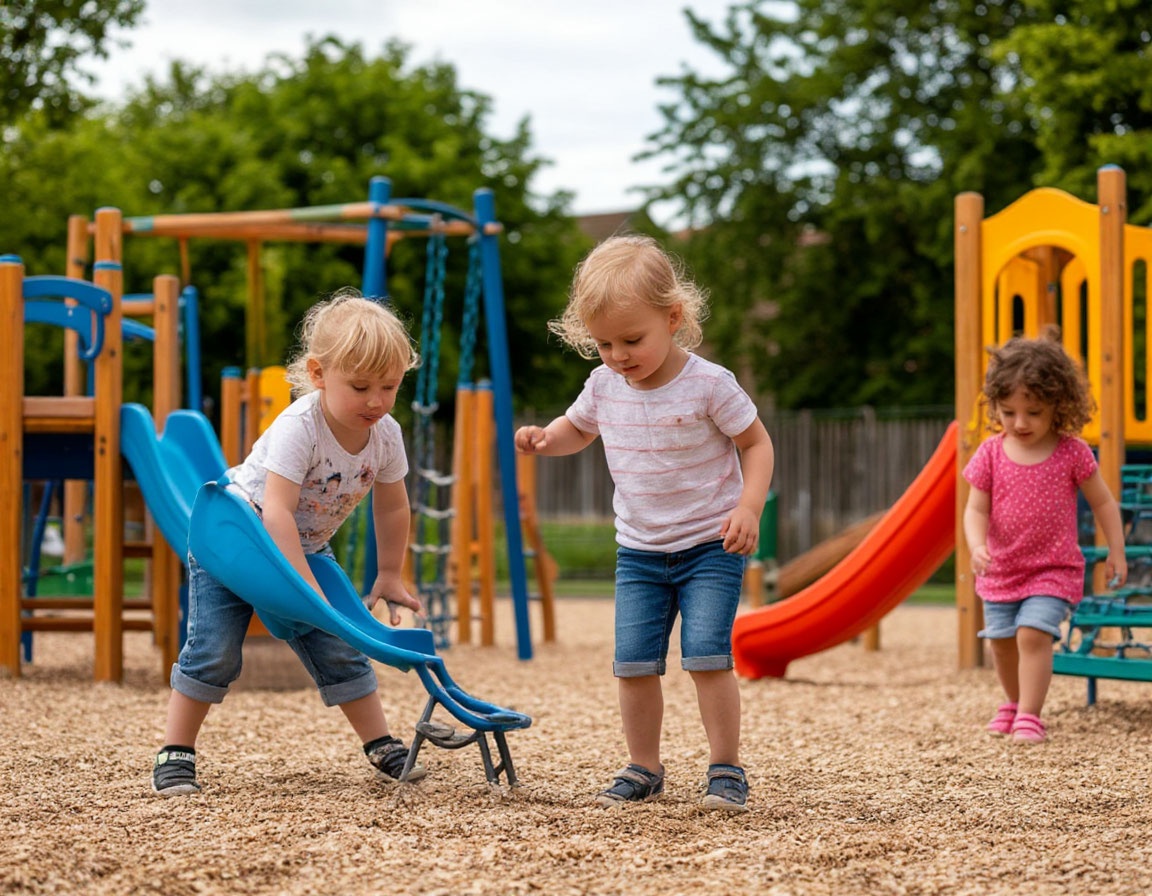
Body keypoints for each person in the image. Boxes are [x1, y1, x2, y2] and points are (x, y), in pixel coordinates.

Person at [515, 234, 774, 812]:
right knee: (632, 664)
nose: (618, 355)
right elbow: (577, 429)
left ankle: (726, 767)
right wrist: (546, 439)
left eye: (632, 340)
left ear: (673, 317)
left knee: (706, 655)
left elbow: (757, 444)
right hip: (639, 552)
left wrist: (748, 506)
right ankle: (644, 767)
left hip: (710, 544)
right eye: (603, 343)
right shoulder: (604, 384)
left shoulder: (709, 384)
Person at [152, 291, 425, 796]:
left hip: (304, 546)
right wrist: (303, 588)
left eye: (389, 386)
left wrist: (389, 573)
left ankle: (380, 742)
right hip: (233, 542)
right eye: (360, 386)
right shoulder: (301, 427)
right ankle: (176, 750)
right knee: (214, 650)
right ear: (319, 374)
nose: (376, 401)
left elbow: (392, 506)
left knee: (340, 644)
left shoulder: (386, 435)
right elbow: (276, 509)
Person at [963, 330, 1127, 744]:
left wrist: (1116, 551)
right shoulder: (990, 453)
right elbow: (975, 509)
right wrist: (977, 545)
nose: (1020, 423)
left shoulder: (1072, 452)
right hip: (1002, 569)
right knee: (1001, 642)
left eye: (1033, 412)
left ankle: (1030, 715)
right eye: (1008, 412)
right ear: (995, 406)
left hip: (1053, 569)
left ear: (1059, 405)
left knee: (1032, 634)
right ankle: (1014, 702)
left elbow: (1104, 503)